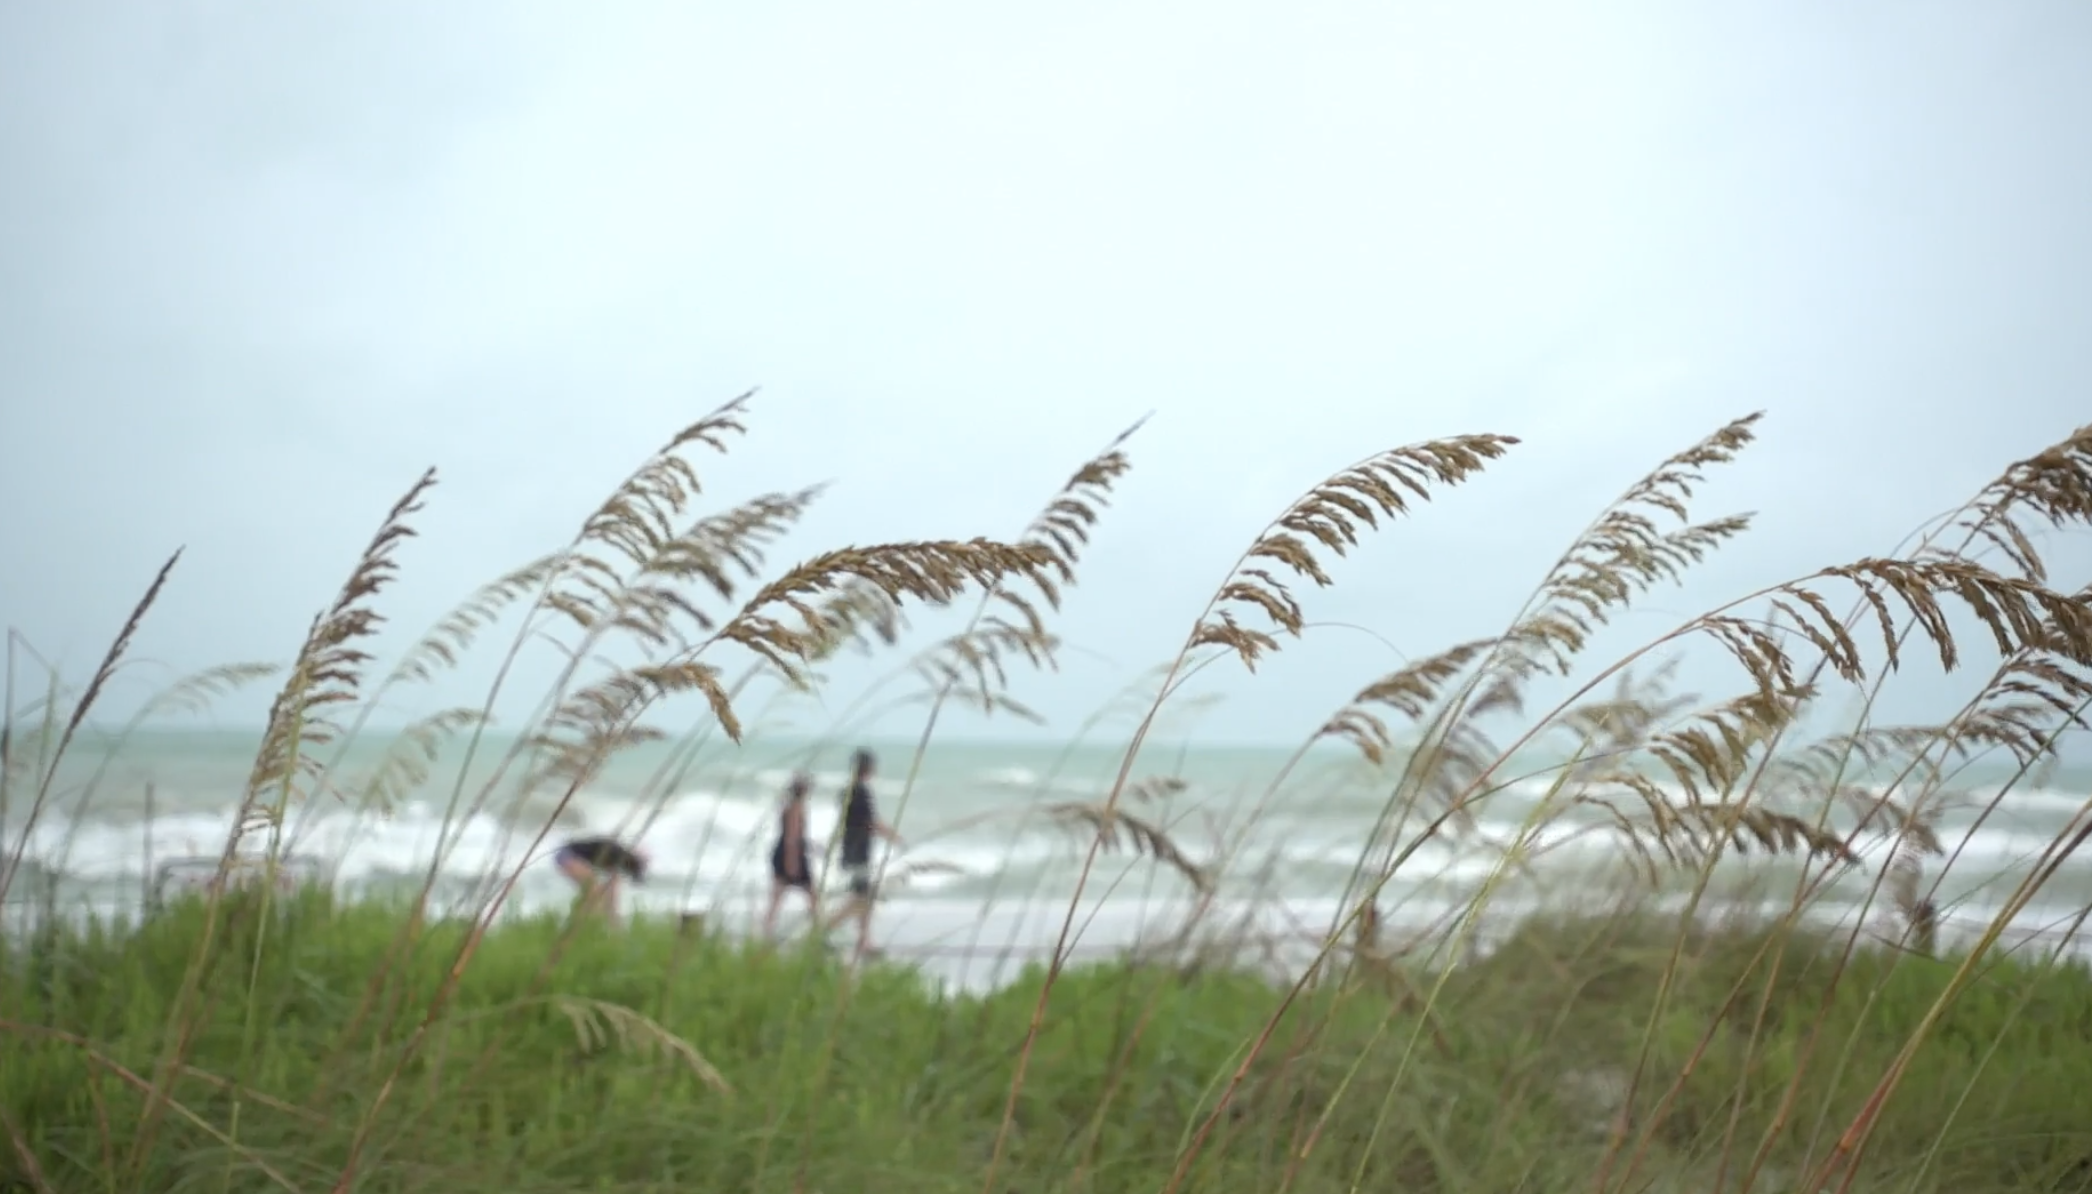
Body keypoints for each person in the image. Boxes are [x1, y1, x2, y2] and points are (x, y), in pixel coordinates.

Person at [828, 747, 902, 959]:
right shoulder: (862, 792)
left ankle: (864, 940)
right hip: (859, 852)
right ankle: (828, 928)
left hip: (849, 849)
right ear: (867, 768)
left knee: (863, 897)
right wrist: (894, 836)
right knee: (861, 898)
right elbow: (871, 822)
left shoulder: (846, 791)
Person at [762, 773, 821, 939]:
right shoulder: (796, 808)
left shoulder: (788, 806)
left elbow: (795, 835)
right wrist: (792, 862)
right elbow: (792, 837)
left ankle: (766, 932)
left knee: (777, 897)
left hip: (783, 853)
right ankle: (817, 933)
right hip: (792, 856)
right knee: (812, 895)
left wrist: (812, 847)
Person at [553, 835, 647, 924]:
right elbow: (612, 889)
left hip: (574, 857)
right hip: (568, 854)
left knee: (597, 893)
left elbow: (613, 891)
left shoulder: (618, 860)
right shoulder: (615, 854)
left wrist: (613, 912)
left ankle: (588, 922)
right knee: (594, 891)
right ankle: (582, 922)